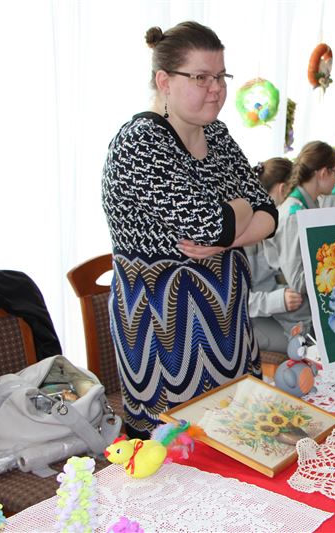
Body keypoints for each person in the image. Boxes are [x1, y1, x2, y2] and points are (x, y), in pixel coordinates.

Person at [101, 21, 277, 438]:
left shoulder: (216, 134)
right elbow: (213, 225)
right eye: (201, 78)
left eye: (221, 77)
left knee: (239, 445)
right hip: (167, 338)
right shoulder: (140, 144)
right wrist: (240, 211)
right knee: (177, 454)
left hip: (231, 333)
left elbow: (269, 215)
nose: (216, 89)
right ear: (165, 81)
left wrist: (228, 232)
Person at [264, 141, 335, 336]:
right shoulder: (293, 215)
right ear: (323, 173)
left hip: (309, 305)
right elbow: (298, 281)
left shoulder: (309, 205)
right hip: (297, 314)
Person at [245, 158, 303, 353]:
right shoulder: (246, 234)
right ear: (282, 189)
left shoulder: (276, 222)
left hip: (279, 310)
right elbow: (235, 302)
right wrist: (278, 301)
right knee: (301, 347)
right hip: (255, 318)